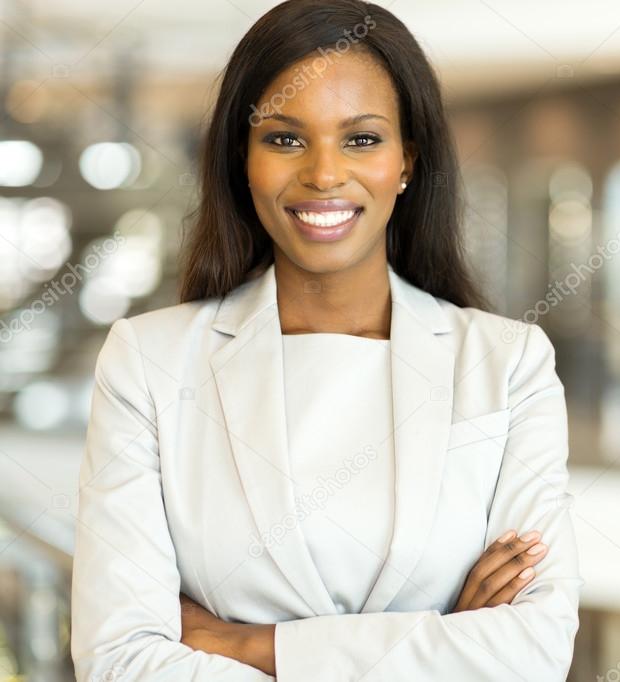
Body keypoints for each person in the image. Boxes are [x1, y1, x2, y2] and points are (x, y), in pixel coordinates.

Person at [69, 1, 583, 680]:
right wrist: (439, 639)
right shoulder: (149, 362)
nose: (322, 174)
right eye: (284, 139)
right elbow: (119, 661)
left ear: (407, 160)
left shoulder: (506, 363)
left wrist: (251, 645)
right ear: (241, 161)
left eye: (361, 139)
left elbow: (533, 652)